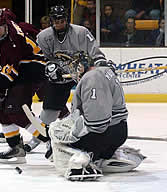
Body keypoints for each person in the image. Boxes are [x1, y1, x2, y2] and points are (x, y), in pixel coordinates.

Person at [48, 53, 145, 181]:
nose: (72, 72)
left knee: (56, 136)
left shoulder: (92, 78)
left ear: (81, 67)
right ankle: (100, 157)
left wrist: (72, 135)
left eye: (73, 68)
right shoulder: (104, 72)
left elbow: (97, 122)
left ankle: (81, 163)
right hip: (118, 131)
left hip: (103, 134)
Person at [25, 5, 107, 156]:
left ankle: (93, 134)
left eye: (62, 21)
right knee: (50, 109)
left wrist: (101, 64)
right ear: (51, 21)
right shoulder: (43, 37)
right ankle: (38, 139)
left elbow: (95, 52)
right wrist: (49, 69)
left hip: (82, 73)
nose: (59, 24)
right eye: (56, 21)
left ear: (67, 20)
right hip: (60, 76)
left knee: (88, 105)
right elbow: (39, 59)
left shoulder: (81, 32)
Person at [0, 8, 48, 164]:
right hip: (22, 71)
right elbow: (5, 69)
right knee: (2, 109)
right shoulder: (0, 41)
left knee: (16, 110)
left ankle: (50, 139)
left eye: (0, 28)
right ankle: (16, 148)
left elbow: (10, 72)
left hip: (33, 70)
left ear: (6, 24)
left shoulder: (12, 40)